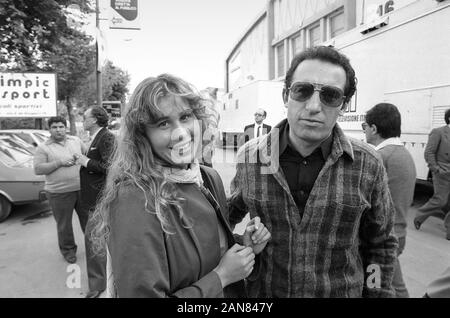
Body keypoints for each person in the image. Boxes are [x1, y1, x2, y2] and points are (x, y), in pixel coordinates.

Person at [229, 46, 398, 297]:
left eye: (330, 95)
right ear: (286, 96)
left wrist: (376, 293)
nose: (313, 106)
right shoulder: (250, 158)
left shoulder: (367, 164)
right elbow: (222, 223)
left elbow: (381, 245)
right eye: (302, 91)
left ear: (344, 104)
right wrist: (244, 246)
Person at [90, 74, 271, 298]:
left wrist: (245, 246)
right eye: (163, 123)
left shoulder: (207, 177)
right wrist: (221, 277)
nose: (181, 133)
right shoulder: (134, 198)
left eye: (185, 117)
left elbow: (210, 251)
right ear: (142, 136)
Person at [362, 103, 416, 298]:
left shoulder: (379, 157)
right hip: (398, 233)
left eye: (365, 127)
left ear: (374, 129)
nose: (365, 131)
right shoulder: (404, 154)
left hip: (383, 238)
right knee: (394, 282)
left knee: (375, 284)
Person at [33, 116, 87, 264]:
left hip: (81, 189)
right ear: (49, 129)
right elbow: (38, 169)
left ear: (66, 127)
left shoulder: (75, 141)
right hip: (58, 193)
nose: (58, 130)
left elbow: (87, 155)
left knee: (88, 221)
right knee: (64, 225)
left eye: (61, 126)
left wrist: (80, 158)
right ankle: (69, 251)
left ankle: (93, 246)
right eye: (54, 127)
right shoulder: (43, 147)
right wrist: (59, 163)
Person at [76, 106, 116, 298]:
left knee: (93, 241)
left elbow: (110, 166)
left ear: (94, 120)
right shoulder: (97, 136)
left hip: (99, 198)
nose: (82, 120)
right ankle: (101, 280)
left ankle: (97, 285)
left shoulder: (106, 136)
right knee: (96, 240)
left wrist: (85, 162)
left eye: (84, 117)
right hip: (94, 197)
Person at [414, 109, 450, 240]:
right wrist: (436, 168)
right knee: (441, 200)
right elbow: (429, 152)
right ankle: (420, 215)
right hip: (442, 172)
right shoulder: (439, 132)